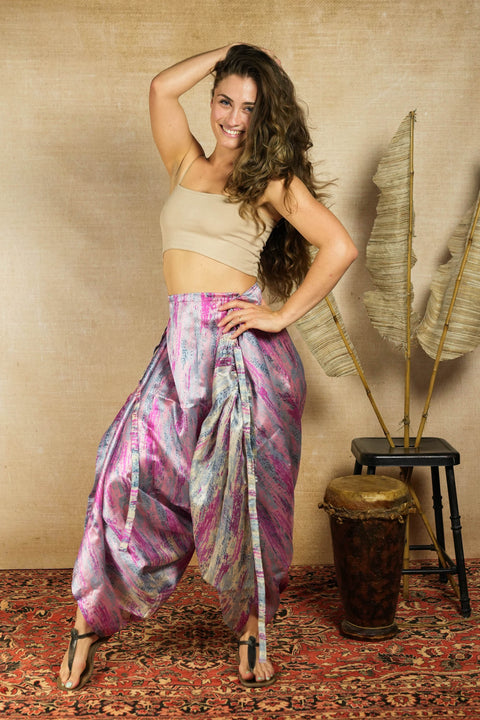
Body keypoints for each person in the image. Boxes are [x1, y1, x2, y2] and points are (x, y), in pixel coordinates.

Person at [57, 43, 357, 692]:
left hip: (239, 355)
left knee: (244, 493)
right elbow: (161, 88)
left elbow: (340, 245)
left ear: (265, 115)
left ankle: (252, 628)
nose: (235, 118)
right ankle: (90, 619)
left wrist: (279, 315)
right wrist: (232, 52)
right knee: (126, 472)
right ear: (213, 99)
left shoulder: (271, 180)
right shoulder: (185, 163)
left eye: (250, 108)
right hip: (179, 350)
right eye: (226, 101)